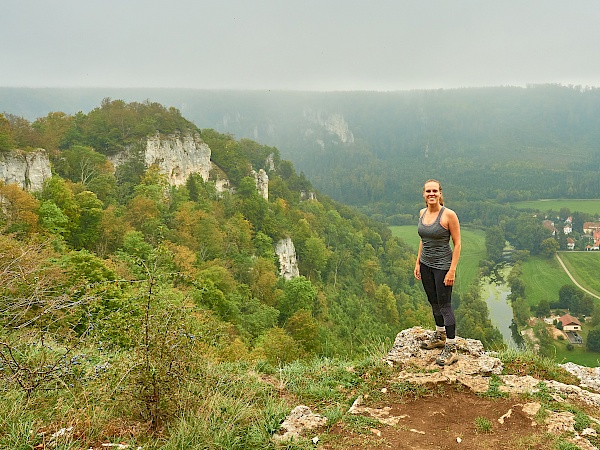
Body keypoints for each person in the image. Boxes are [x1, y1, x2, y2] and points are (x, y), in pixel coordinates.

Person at [413, 179, 461, 366]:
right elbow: (423, 240)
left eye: (435, 191)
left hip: (443, 266)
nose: (431, 194)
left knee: (445, 305)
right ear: (423, 194)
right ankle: (440, 335)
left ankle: (451, 348)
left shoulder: (448, 215)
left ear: (440, 193)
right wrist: (418, 262)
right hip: (426, 265)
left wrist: (452, 270)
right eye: (428, 191)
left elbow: (457, 243)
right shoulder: (422, 213)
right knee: (433, 302)